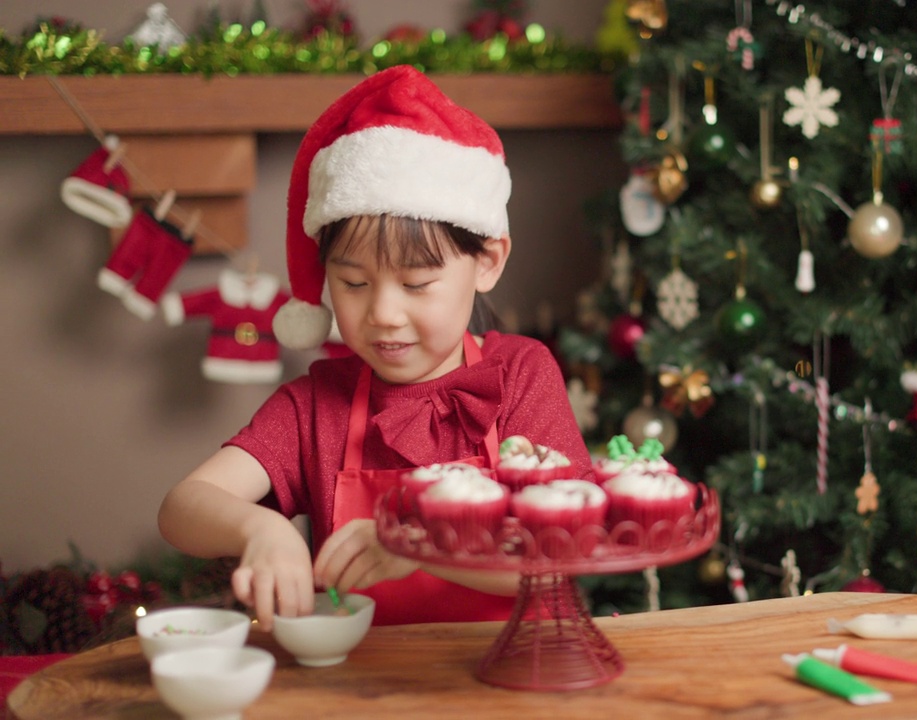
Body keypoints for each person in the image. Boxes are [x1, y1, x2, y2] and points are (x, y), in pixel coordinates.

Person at [157, 65, 593, 630]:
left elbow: (565, 551)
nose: (383, 314)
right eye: (354, 284)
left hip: (515, 679)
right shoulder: (316, 406)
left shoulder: (521, 374)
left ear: (486, 262)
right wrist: (259, 529)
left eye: (416, 284)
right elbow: (182, 507)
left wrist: (416, 544)